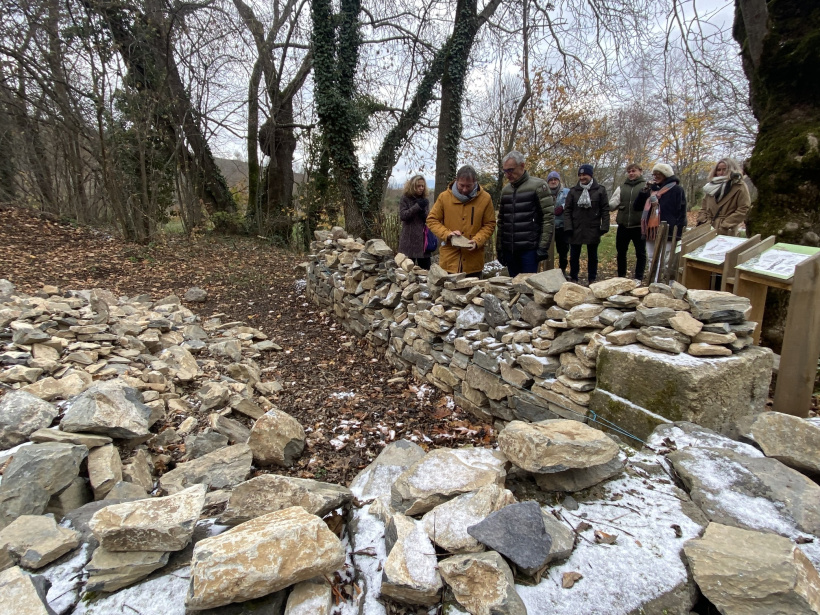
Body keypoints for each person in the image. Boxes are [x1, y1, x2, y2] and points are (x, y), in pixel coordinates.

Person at [426, 165, 496, 275]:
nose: (464, 189)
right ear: (456, 180)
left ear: (475, 182)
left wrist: (477, 240)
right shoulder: (444, 197)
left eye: (469, 186)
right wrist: (447, 234)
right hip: (449, 262)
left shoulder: (485, 198)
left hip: (473, 263)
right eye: (461, 185)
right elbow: (432, 220)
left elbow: (490, 224)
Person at [495, 151, 555, 277]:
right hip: (510, 250)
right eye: (505, 171)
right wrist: (500, 248)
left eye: (510, 170)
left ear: (522, 166)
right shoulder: (506, 191)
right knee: (513, 285)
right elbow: (501, 222)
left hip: (529, 250)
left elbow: (548, 218)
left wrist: (543, 247)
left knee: (527, 285)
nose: (508, 175)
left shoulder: (538, 186)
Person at [634, 163, 687, 281]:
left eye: (659, 174)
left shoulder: (676, 190)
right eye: (654, 174)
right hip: (650, 229)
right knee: (651, 257)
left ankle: (664, 282)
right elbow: (637, 206)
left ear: (666, 174)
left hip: (668, 230)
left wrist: (678, 232)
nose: (656, 176)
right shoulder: (651, 190)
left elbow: (681, 211)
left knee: (665, 260)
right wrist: (644, 191)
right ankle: (652, 281)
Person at [563, 164, 609, 284]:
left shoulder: (600, 190)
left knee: (593, 256)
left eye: (584, 175)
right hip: (575, 228)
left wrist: (604, 226)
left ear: (591, 175)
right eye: (580, 175)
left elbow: (605, 209)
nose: (582, 177)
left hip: (592, 228)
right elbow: (567, 210)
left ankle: (592, 278)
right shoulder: (573, 191)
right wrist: (568, 227)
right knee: (574, 256)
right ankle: (574, 277)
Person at [696, 158, 751, 236]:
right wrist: (703, 220)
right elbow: (704, 207)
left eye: (725, 169)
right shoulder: (710, 187)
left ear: (731, 170)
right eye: (719, 170)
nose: (721, 172)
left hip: (727, 229)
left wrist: (726, 224)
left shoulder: (739, 186)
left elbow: (744, 208)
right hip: (708, 227)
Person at [612, 163, 647, 281]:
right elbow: (612, 204)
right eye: (629, 171)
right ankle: (621, 277)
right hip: (623, 226)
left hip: (639, 226)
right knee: (621, 253)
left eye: (633, 171)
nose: (631, 173)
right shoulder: (621, 188)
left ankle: (638, 277)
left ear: (640, 171)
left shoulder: (646, 187)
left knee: (640, 253)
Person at [398, 175, 433, 269]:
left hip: (422, 241)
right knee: (406, 271)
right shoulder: (405, 198)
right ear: (413, 186)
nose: (421, 188)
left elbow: (428, 219)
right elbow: (403, 216)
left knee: (426, 271)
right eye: (418, 186)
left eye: (422, 186)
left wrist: (423, 212)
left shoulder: (425, 200)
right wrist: (417, 207)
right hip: (408, 240)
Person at [549, 171, 571, 276]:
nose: (553, 182)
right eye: (551, 180)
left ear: (559, 181)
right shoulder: (544, 193)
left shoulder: (567, 192)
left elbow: (572, 203)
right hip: (549, 226)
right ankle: (548, 271)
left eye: (555, 179)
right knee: (547, 251)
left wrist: (563, 206)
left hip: (562, 226)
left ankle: (562, 271)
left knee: (563, 251)